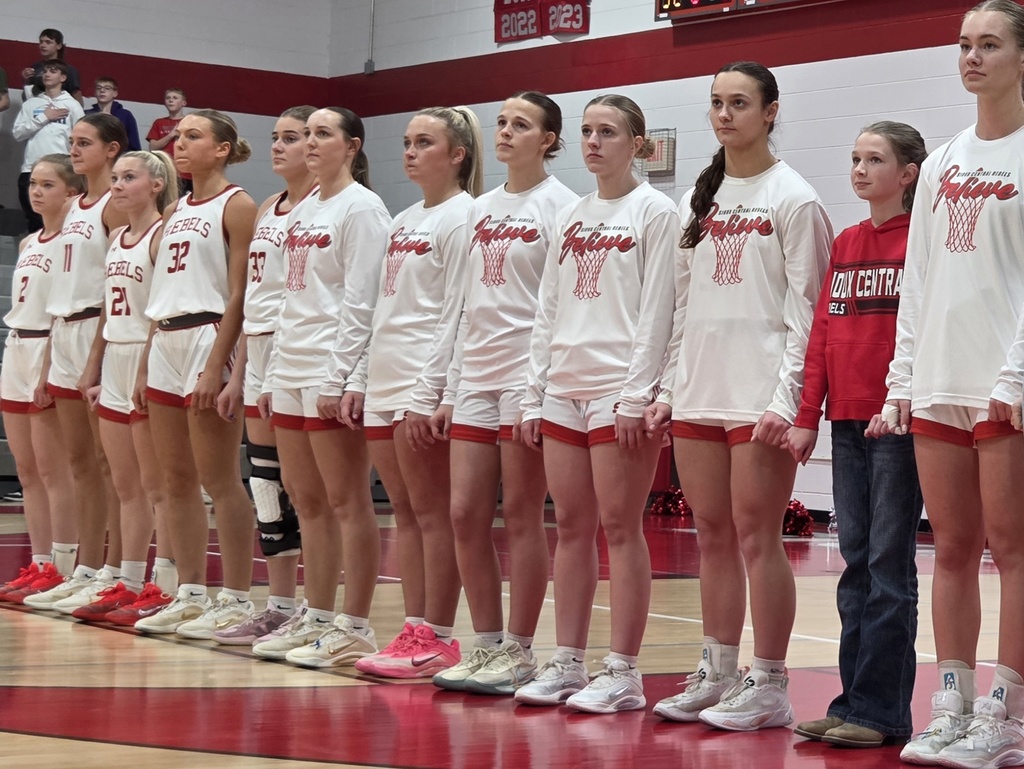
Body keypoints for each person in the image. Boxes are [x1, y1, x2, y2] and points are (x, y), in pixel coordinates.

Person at [647, 61, 831, 729]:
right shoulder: (697, 200)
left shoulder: (794, 198)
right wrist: (670, 388)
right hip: (699, 391)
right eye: (717, 103)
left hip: (760, 399)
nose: (724, 115)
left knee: (758, 536)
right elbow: (682, 306)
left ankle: (771, 682)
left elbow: (808, 314)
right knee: (712, 535)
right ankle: (717, 670)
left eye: (740, 103)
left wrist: (788, 401)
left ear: (771, 111)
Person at [877, 2, 1024, 765]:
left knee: (1015, 548)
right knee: (954, 548)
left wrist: (1017, 372)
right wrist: (903, 378)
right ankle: (952, 705)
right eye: (965, 43)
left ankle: (1008, 716)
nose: (971, 56)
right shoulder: (940, 163)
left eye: (989, 44)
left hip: (1006, 381)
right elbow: (920, 278)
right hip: (940, 377)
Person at [512, 93, 677, 714]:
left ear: (638, 144)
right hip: (563, 387)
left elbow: (658, 310)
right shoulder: (572, 214)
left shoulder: (655, 212)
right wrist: (534, 392)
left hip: (618, 391)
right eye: (586, 131)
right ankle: (567, 661)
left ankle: (624, 671)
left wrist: (638, 393)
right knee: (571, 527)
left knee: (621, 527)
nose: (593, 142)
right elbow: (548, 309)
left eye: (607, 132)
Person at [424, 92, 578, 695]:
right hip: (474, 377)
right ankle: (485, 644)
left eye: (522, 124)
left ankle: (519, 649)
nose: (507, 132)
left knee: (521, 513)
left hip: (525, 378)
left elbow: (558, 306)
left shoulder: (563, 206)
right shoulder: (479, 209)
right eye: (503, 123)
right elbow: (460, 305)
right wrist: (446, 385)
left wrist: (539, 388)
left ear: (549, 139)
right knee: (464, 513)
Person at [785, 123, 926, 748]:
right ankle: (850, 703)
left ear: (909, 173)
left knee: (888, 568)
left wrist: (901, 401)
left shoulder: (921, 240)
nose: (860, 170)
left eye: (875, 159)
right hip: (846, 420)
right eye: (855, 159)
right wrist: (806, 414)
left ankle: (883, 713)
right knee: (855, 565)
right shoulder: (846, 241)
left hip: (895, 421)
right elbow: (823, 332)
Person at [344, 106, 483, 679]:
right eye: (406, 141)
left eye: (424, 142)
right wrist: (359, 378)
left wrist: (434, 391)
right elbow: (381, 308)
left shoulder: (464, 216)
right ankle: (413, 628)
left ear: (457, 154)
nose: (409, 151)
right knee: (403, 512)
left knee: (433, 513)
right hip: (385, 378)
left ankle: (439, 637)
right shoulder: (403, 219)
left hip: (421, 384)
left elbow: (457, 312)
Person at [249, 107, 391, 667]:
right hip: (290, 366)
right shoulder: (304, 208)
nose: (309, 142)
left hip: (331, 369)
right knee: (304, 499)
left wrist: (342, 376)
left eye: (321, 134)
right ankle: (318, 615)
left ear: (351, 146)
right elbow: (288, 297)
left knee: (346, 500)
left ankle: (355, 626)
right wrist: (271, 373)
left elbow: (363, 301)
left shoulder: (363, 208)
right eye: (305, 134)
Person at [132, 109, 259, 639]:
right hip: (166, 337)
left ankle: (237, 598)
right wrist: (145, 360)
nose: (179, 145)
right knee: (174, 480)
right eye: (178, 137)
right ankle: (189, 593)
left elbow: (241, 292)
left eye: (193, 136)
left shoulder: (238, 204)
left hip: (209, 335)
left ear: (222, 148)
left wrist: (217, 366)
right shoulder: (175, 208)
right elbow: (160, 292)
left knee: (219, 479)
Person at [212, 106, 317, 648]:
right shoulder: (269, 207)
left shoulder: (326, 209)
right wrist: (238, 374)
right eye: (276, 137)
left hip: (300, 349)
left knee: (305, 492)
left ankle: (319, 611)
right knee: (266, 486)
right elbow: (254, 297)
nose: (278, 146)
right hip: (259, 348)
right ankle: (279, 606)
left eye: (291, 137)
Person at [23, 113, 130, 614]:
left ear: (111, 150)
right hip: (63, 331)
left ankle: (119, 570)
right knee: (81, 464)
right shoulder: (72, 207)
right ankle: (85, 568)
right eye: (72, 141)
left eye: (84, 142)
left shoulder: (115, 205)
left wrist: (98, 352)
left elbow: (119, 281)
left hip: (96, 330)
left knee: (111, 466)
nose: (74, 149)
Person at [69, 150, 181, 624]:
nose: (116, 185)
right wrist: (94, 365)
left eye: (128, 177)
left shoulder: (162, 236)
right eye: (114, 177)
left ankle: (167, 584)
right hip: (114, 355)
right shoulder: (116, 236)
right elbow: (106, 312)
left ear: (155, 185)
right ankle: (129, 581)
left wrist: (145, 368)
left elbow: (161, 310)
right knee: (125, 484)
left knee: (160, 485)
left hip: (145, 356)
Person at [0, 155, 81, 604]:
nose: (36, 191)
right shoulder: (30, 241)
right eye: (34, 183)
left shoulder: (73, 243)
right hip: (17, 346)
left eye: (48, 184)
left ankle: (63, 567)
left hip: (50, 347)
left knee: (54, 470)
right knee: (27, 470)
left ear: (72, 192)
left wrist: (51, 364)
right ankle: (40, 561)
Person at [12, 61, 84, 233]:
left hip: (61, 169)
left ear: (63, 77)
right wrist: (44, 117)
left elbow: (82, 136)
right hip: (31, 168)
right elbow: (18, 133)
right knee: (34, 219)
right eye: (45, 71)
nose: (47, 74)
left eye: (53, 71)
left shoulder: (72, 105)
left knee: (60, 218)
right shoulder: (31, 104)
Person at [147, 89, 191, 194]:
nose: (171, 100)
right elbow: (153, 147)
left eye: (175, 98)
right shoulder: (159, 123)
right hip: (164, 171)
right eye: (168, 98)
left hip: (186, 173)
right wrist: (171, 134)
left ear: (183, 103)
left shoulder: (190, 122)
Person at [21, 28, 82, 104]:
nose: (43, 45)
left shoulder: (68, 70)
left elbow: (77, 98)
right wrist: (26, 79)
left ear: (59, 46)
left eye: (48, 42)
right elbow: (29, 93)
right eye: (41, 42)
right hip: (36, 106)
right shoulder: (36, 67)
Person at [86, 77, 141, 151]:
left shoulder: (125, 115)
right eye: (99, 88)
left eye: (107, 88)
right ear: (95, 92)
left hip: (119, 155)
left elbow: (134, 145)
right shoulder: (87, 115)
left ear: (115, 93)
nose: (102, 91)